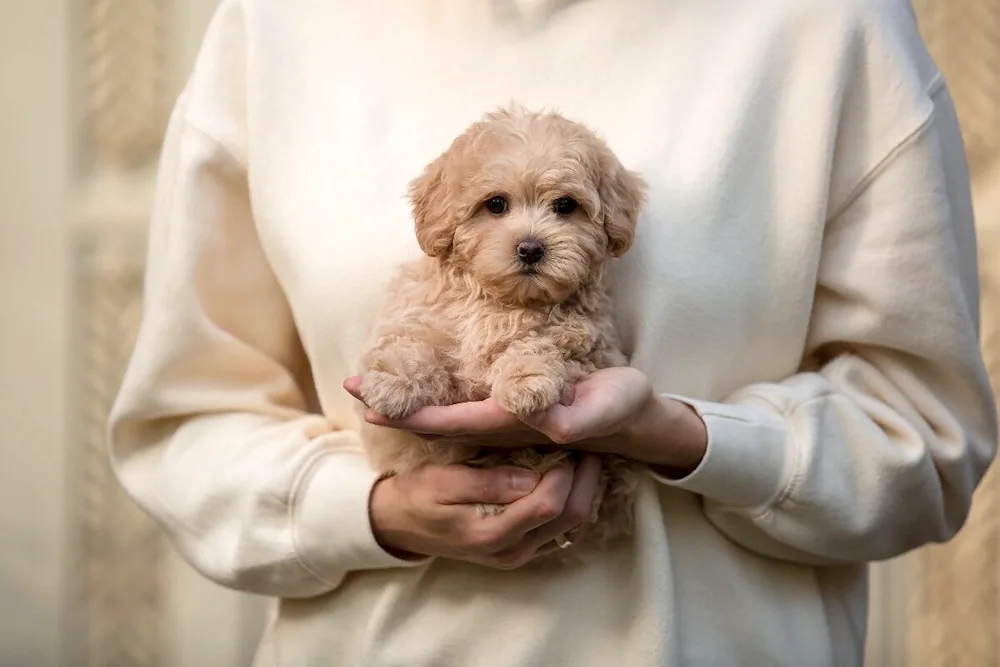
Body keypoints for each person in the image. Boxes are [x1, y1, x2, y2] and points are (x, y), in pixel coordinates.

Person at [107, 0, 999, 664]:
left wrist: (687, 438)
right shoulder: (275, 27)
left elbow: (922, 435)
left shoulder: (831, 26)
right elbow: (187, 424)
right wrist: (373, 512)